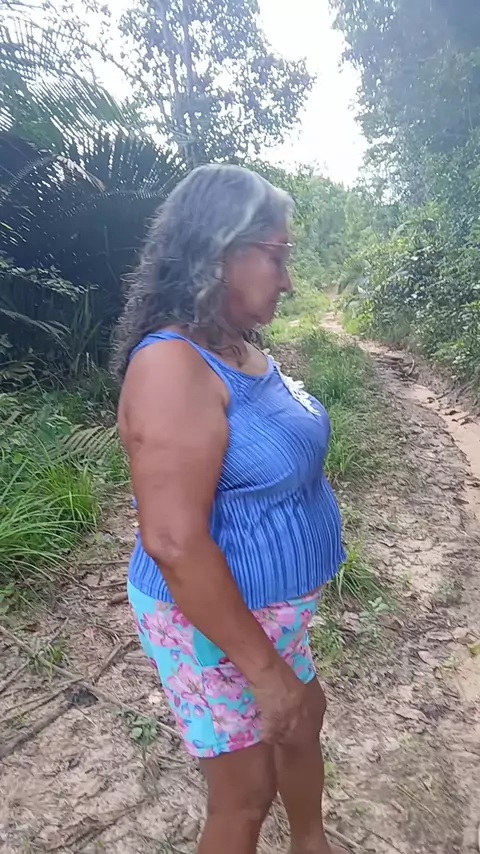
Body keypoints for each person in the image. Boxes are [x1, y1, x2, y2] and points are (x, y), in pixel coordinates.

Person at [112, 164, 347, 854]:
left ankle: (312, 843)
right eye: (277, 256)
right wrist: (266, 675)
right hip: (211, 622)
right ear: (221, 251)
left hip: (272, 613)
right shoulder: (171, 367)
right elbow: (174, 542)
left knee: (305, 719)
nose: (288, 280)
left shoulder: (236, 348)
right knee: (245, 794)